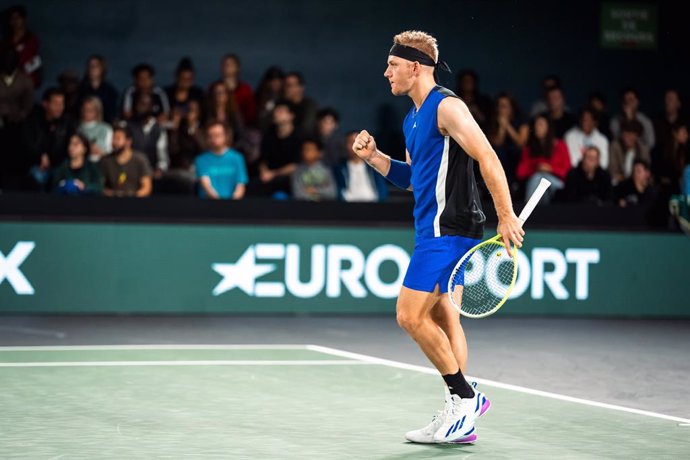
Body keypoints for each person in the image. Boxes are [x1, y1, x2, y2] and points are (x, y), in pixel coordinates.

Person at [352, 30, 524, 445]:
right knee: (443, 319)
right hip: (430, 229)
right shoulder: (411, 118)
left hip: (450, 231)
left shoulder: (447, 107)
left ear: (415, 66)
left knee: (409, 315)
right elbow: (415, 179)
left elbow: (487, 155)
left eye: (393, 65)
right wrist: (375, 158)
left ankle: (464, 400)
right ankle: (460, 411)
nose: (386, 72)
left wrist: (505, 215)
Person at [22, 87, 77, 188]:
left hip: (61, 164)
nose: (59, 107)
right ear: (45, 104)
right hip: (38, 164)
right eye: (55, 103)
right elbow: (27, 144)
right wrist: (40, 155)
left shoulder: (68, 122)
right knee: (36, 177)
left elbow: (71, 146)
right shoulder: (33, 121)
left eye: (61, 104)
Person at [516, 114, 571, 202]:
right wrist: (537, 168)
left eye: (540, 124)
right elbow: (520, 173)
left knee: (541, 178)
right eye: (535, 125)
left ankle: (527, 213)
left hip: (557, 185)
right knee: (538, 179)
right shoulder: (529, 148)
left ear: (548, 127)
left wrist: (550, 169)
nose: (537, 127)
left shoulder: (560, 145)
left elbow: (568, 172)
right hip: (537, 184)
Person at [0, 47, 33, 189]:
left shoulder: (25, 81)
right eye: (5, 58)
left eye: (12, 58)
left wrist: (17, 117)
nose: (8, 61)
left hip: (16, 128)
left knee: (14, 159)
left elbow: (28, 106)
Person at [254, 99, 300, 197]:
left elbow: (296, 165)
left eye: (281, 111)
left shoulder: (299, 136)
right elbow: (263, 159)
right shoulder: (269, 134)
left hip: (289, 178)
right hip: (267, 176)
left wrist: (273, 174)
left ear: (291, 116)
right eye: (275, 111)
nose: (276, 114)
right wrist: (264, 171)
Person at [195, 122, 247, 200]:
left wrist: (232, 203)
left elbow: (241, 184)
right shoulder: (201, 159)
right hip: (208, 204)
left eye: (217, 135)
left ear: (226, 136)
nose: (213, 139)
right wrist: (220, 203)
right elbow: (206, 185)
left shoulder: (237, 158)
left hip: (233, 205)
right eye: (210, 136)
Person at [335, 131, 389, 202]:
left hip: (373, 205)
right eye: (350, 142)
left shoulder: (374, 166)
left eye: (358, 142)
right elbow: (337, 190)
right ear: (345, 146)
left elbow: (382, 188)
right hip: (348, 206)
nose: (355, 145)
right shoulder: (339, 168)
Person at [486, 92, 528, 183]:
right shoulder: (492, 121)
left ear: (511, 108)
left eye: (504, 106)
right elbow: (497, 144)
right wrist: (502, 128)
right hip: (499, 161)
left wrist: (507, 126)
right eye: (499, 106)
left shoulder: (521, 120)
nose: (501, 109)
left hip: (517, 159)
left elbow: (521, 144)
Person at [101, 124, 152, 197]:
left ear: (128, 141)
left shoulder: (140, 159)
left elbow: (147, 188)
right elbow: (101, 185)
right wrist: (111, 194)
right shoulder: (106, 160)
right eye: (113, 138)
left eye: (118, 138)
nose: (114, 142)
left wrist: (132, 196)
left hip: (136, 202)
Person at [128, 92, 169, 175]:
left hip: (151, 172)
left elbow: (162, 156)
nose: (140, 107)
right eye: (138, 104)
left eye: (144, 104)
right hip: (130, 171)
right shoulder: (128, 126)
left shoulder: (159, 129)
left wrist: (160, 169)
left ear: (152, 107)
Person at [0, 5, 41, 88]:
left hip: (27, 81)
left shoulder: (31, 40)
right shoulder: (5, 42)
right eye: (12, 19)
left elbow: (30, 62)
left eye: (18, 18)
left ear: (24, 19)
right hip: (7, 84)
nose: (15, 21)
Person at [76, 55, 119, 123]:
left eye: (95, 66)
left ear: (102, 69)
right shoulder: (80, 89)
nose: (92, 69)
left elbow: (113, 113)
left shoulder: (110, 91)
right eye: (90, 66)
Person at [218, 54, 256, 127]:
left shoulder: (245, 90)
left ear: (237, 67)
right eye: (225, 64)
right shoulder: (213, 88)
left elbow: (251, 114)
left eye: (231, 64)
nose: (227, 67)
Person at [609, 119, 651, 184]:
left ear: (637, 136)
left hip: (638, 184)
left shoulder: (643, 149)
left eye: (631, 134)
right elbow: (613, 171)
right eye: (625, 134)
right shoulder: (615, 147)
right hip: (620, 183)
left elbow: (646, 171)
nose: (628, 138)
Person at [165, 57, 204, 122]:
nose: (186, 82)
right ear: (177, 77)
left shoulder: (198, 94)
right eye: (183, 78)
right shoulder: (166, 93)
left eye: (189, 79)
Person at [77, 96, 112, 162]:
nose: (87, 113)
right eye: (85, 109)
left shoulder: (106, 128)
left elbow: (110, 151)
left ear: (97, 111)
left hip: (102, 163)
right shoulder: (77, 128)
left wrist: (101, 153)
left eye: (90, 110)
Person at [283, 71, 318, 137]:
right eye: (285, 85)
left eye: (289, 85)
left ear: (301, 88)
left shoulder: (309, 106)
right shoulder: (282, 105)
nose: (286, 89)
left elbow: (307, 128)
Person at [255, 65, 284, 132]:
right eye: (272, 81)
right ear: (267, 82)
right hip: (260, 131)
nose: (275, 83)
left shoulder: (285, 100)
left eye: (278, 81)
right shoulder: (259, 97)